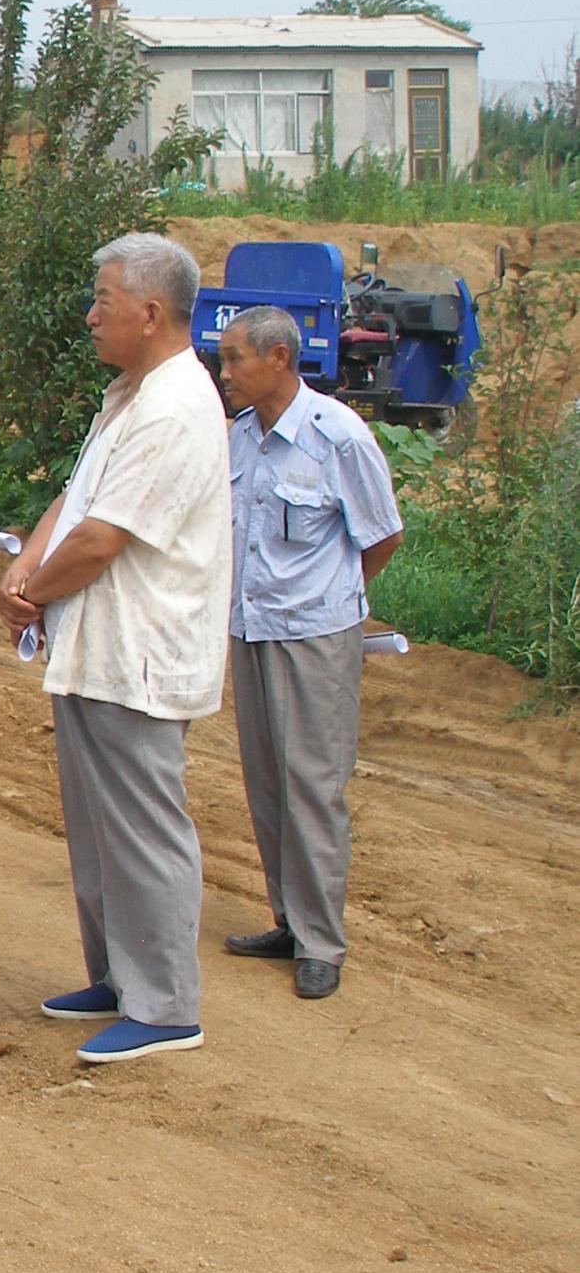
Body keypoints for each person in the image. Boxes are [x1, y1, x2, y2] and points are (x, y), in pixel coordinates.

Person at [0, 234, 230, 1063]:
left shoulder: (176, 407)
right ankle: (117, 977)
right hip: (99, 650)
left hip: (139, 654)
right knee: (99, 830)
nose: (91, 316)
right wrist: (26, 563)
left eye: (103, 301)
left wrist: (33, 591)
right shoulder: (131, 395)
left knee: (143, 830)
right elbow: (78, 498)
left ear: (151, 312)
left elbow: (103, 538)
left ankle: (164, 1003)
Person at [219, 305, 403, 1000]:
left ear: (278, 358)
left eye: (234, 358)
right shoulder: (240, 437)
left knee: (313, 787)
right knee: (267, 782)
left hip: (315, 636)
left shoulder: (337, 436)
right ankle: (289, 922)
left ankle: (321, 942)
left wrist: (332, 600)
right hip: (252, 628)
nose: (224, 372)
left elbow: (381, 535)